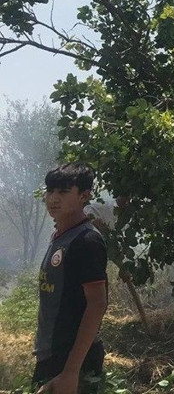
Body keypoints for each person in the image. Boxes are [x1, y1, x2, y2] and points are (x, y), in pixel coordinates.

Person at [34, 163, 108, 394]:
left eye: (63, 192)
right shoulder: (60, 238)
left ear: (84, 196)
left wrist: (71, 371)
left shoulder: (86, 242)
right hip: (52, 356)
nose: (53, 198)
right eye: (50, 191)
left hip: (72, 361)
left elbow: (97, 304)